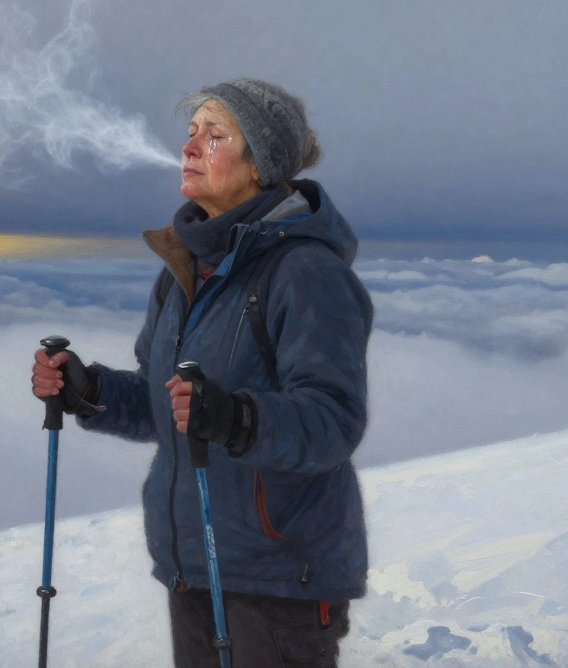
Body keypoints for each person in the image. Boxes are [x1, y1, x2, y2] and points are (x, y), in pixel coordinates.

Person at [31, 78, 373, 668]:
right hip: (194, 566)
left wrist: (237, 417)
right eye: (191, 133)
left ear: (260, 163)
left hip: (278, 582)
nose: (189, 147)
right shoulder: (185, 272)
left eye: (214, 135)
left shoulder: (305, 271)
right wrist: (88, 390)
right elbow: (168, 408)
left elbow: (333, 421)